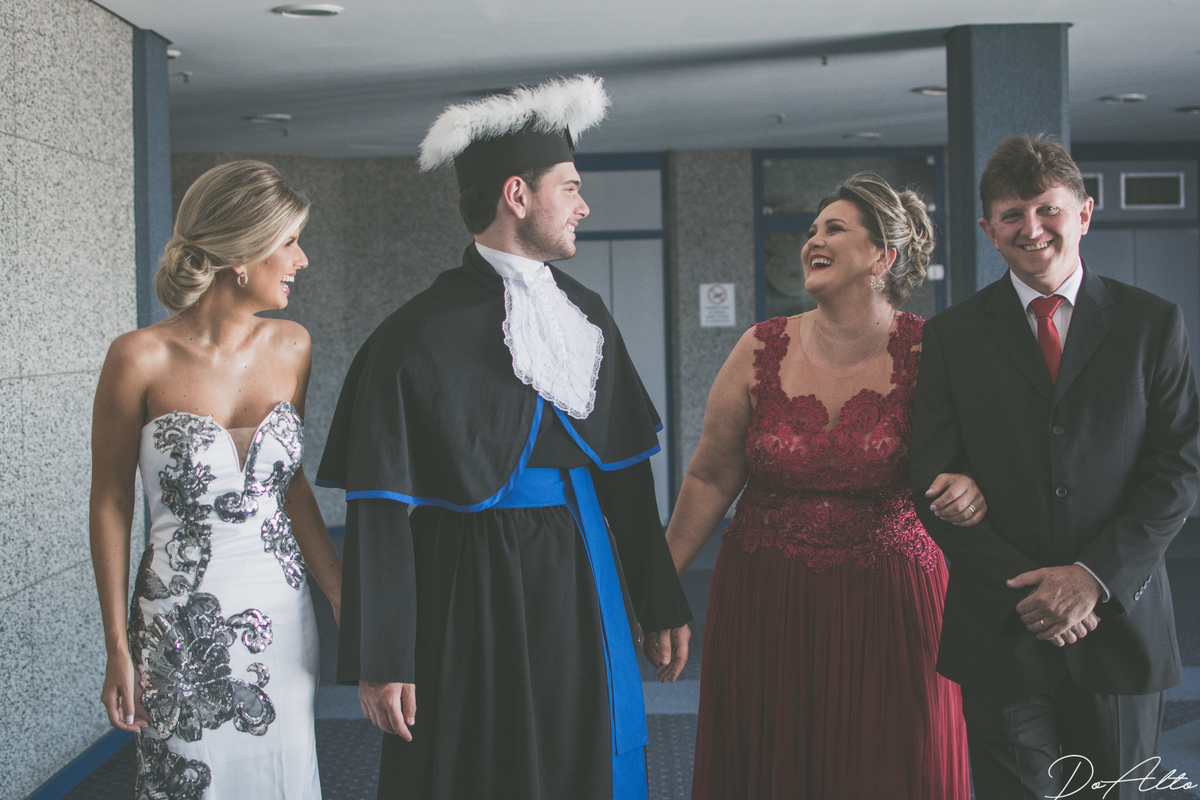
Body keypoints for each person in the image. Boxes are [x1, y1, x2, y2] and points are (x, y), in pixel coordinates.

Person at [316, 75, 692, 800]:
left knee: (584, 750)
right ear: (517, 195)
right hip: (467, 579)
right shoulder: (414, 335)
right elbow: (380, 508)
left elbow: (623, 470)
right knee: (483, 763)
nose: (584, 205)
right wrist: (383, 655)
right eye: (571, 188)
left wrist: (660, 599)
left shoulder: (586, 315)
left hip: (582, 571)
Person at [665, 172, 976, 799]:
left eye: (834, 229)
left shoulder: (934, 352)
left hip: (890, 602)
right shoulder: (760, 347)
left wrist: (970, 484)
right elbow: (710, 475)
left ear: (883, 256)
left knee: (892, 765)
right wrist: (658, 589)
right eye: (812, 230)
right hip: (766, 599)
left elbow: (979, 458)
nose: (813, 241)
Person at [910, 135, 1200, 799]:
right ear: (988, 230)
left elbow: (1178, 469)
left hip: (1120, 623)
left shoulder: (1152, 323)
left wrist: (1093, 579)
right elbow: (929, 477)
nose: (1031, 228)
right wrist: (1029, 595)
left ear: (1085, 213)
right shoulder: (952, 336)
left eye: (1048, 209)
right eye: (1012, 215)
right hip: (1001, 627)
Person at [89, 160, 343, 800]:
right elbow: (112, 502)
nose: (302, 259)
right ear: (241, 253)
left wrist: (342, 592)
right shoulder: (138, 357)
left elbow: (288, 485)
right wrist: (117, 646)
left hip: (282, 611)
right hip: (177, 619)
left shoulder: (293, 346)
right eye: (289, 241)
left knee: (284, 775)